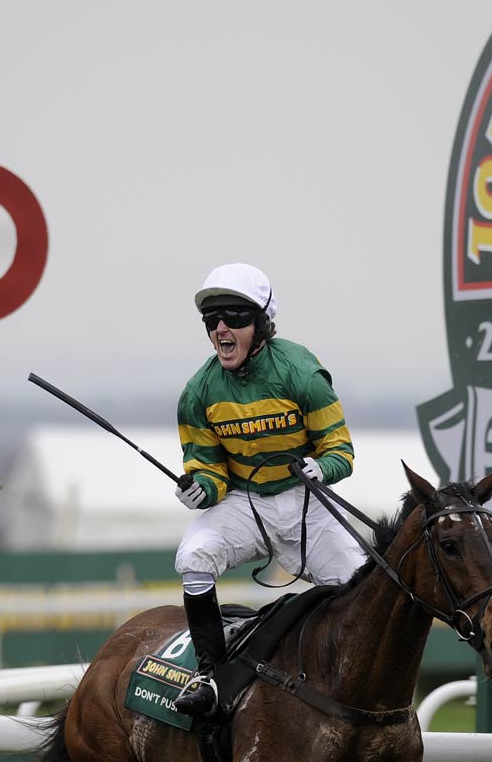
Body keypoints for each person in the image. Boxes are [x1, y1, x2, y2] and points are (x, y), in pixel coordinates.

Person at [171, 262, 366, 718]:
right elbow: (210, 471)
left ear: (261, 322)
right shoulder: (197, 393)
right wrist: (201, 488)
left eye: (234, 317)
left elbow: (341, 451)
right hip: (245, 504)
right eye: (211, 320)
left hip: (305, 506)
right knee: (193, 556)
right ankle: (209, 676)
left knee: (361, 589)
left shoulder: (301, 372)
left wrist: (323, 468)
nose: (221, 328)